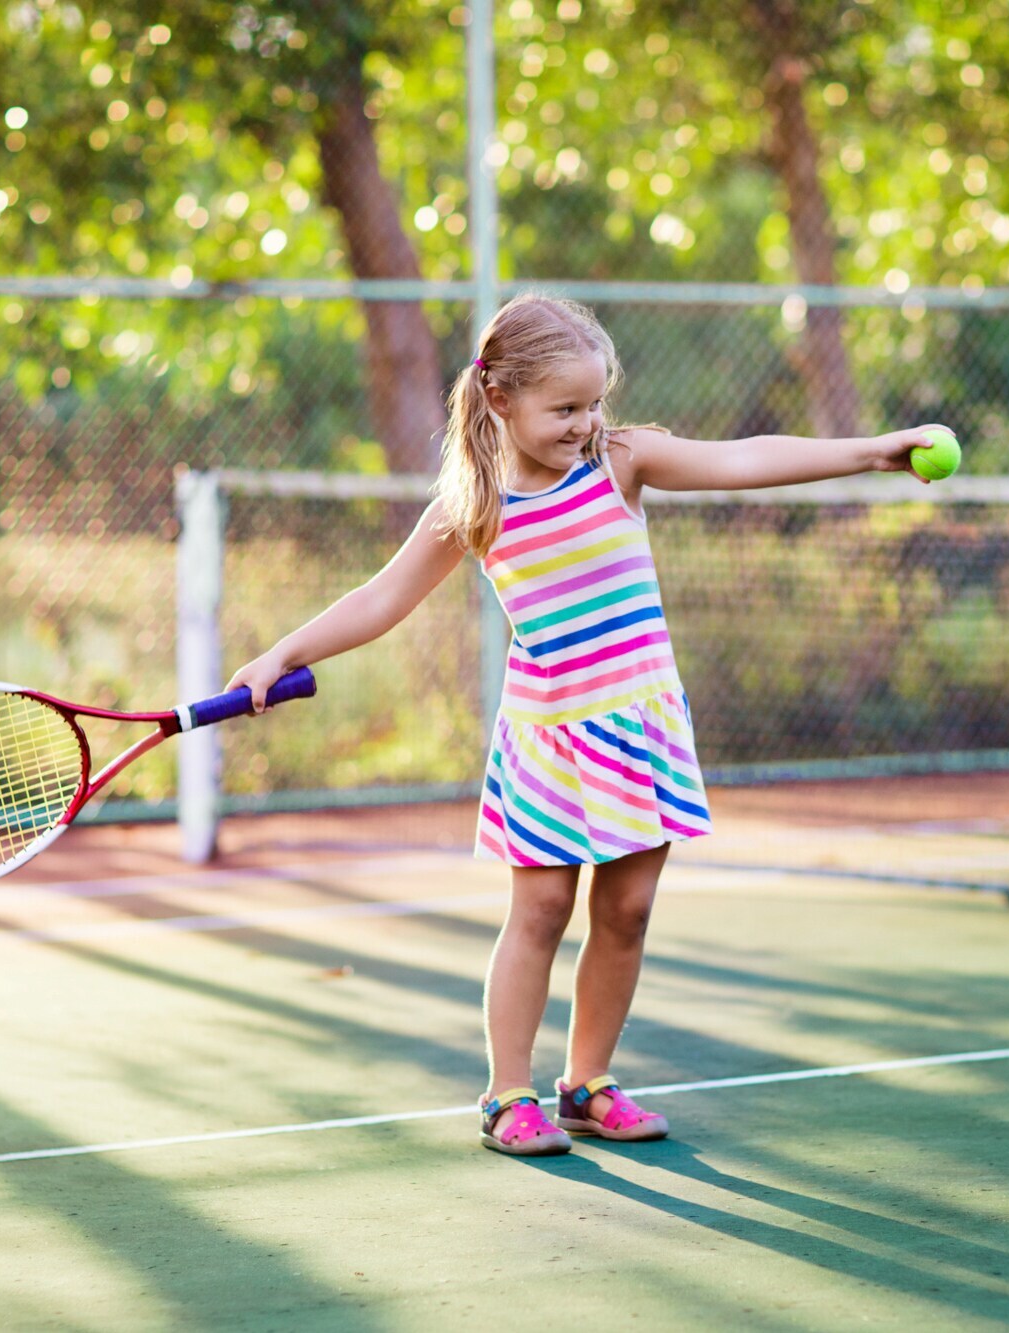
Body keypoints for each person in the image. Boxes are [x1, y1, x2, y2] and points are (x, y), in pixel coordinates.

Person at [227, 293, 951, 1156]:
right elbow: (381, 598)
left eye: (594, 401)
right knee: (537, 912)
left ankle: (587, 1084)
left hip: (640, 728)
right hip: (550, 739)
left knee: (630, 911)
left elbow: (743, 458)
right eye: (564, 407)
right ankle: (507, 1095)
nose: (585, 422)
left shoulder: (621, 459)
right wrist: (280, 652)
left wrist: (871, 453)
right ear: (500, 399)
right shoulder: (475, 501)